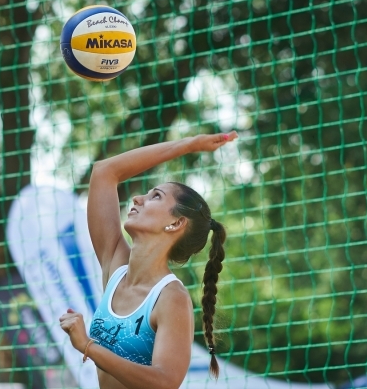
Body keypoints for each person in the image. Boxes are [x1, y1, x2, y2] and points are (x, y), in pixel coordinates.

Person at [59, 132, 238, 389]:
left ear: (176, 223)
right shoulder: (116, 266)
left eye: (155, 196)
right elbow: (104, 171)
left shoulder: (171, 297)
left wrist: (88, 346)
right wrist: (188, 145)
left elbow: (165, 382)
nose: (137, 199)